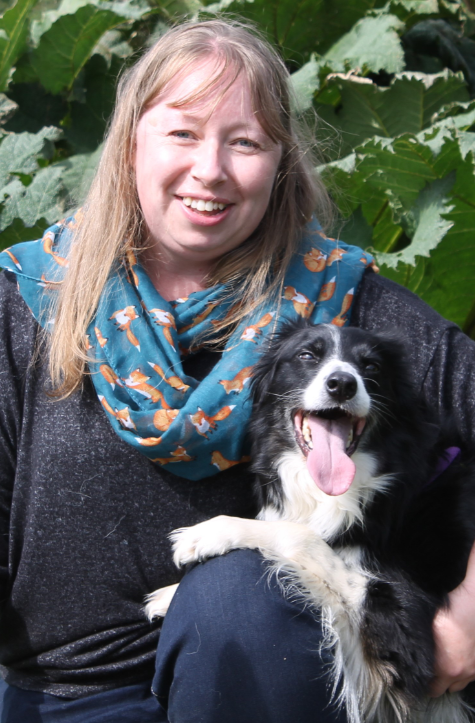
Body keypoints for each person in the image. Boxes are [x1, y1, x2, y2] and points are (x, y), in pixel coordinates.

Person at [0, 17, 474, 723]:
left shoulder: (340, 305)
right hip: (70, 695)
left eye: (244, 142)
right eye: (182, 133)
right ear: (131, 143)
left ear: (279, 163)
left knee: (237, 595)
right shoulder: (31, 302)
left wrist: (468, 614)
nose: (211, 170)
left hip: (286, 684)